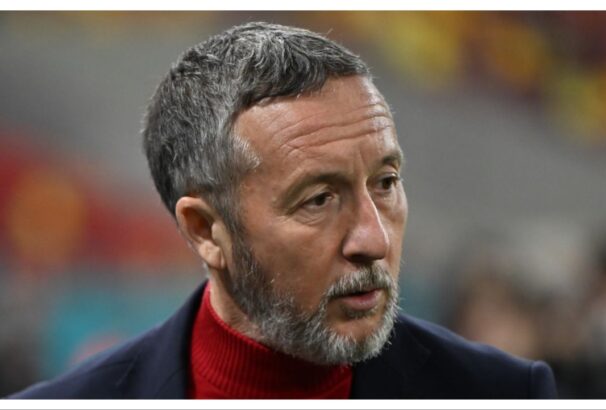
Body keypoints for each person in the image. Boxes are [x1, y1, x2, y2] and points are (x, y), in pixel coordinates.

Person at [9, 22, 557, 399]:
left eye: (386, 183)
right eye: (318, 199)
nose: (374, 239)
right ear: (206, 230)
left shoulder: (505, 393)